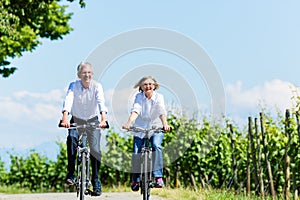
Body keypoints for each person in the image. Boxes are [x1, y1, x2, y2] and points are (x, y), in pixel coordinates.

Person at [60, 61, 108, 196]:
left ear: (92, 74)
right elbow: (68, 101)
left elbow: (101, 102)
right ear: (79, 75)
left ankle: (96, 179)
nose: (86, 75)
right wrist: (64, 118)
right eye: (84, 73)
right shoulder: (73, 86)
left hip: (93, 121)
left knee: (96, 150)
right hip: (76, 119)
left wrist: (103, 119)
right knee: (72, 139)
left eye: (89, 73)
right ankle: (70, 173)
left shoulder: (97, 86)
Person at [122, 76, 171, 192]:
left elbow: (161, 111)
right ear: (141, 87)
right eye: (145, 84)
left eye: (150, 84)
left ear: (154, 86)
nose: (148, 86)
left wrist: (165, 124)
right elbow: (136, 110)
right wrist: (129, 123)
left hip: (156, 126)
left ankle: (158, 176)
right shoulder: (138, 97)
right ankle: (136, 179)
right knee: (136, 152)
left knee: (156, 146)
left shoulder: (159, 97)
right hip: (140, 128)